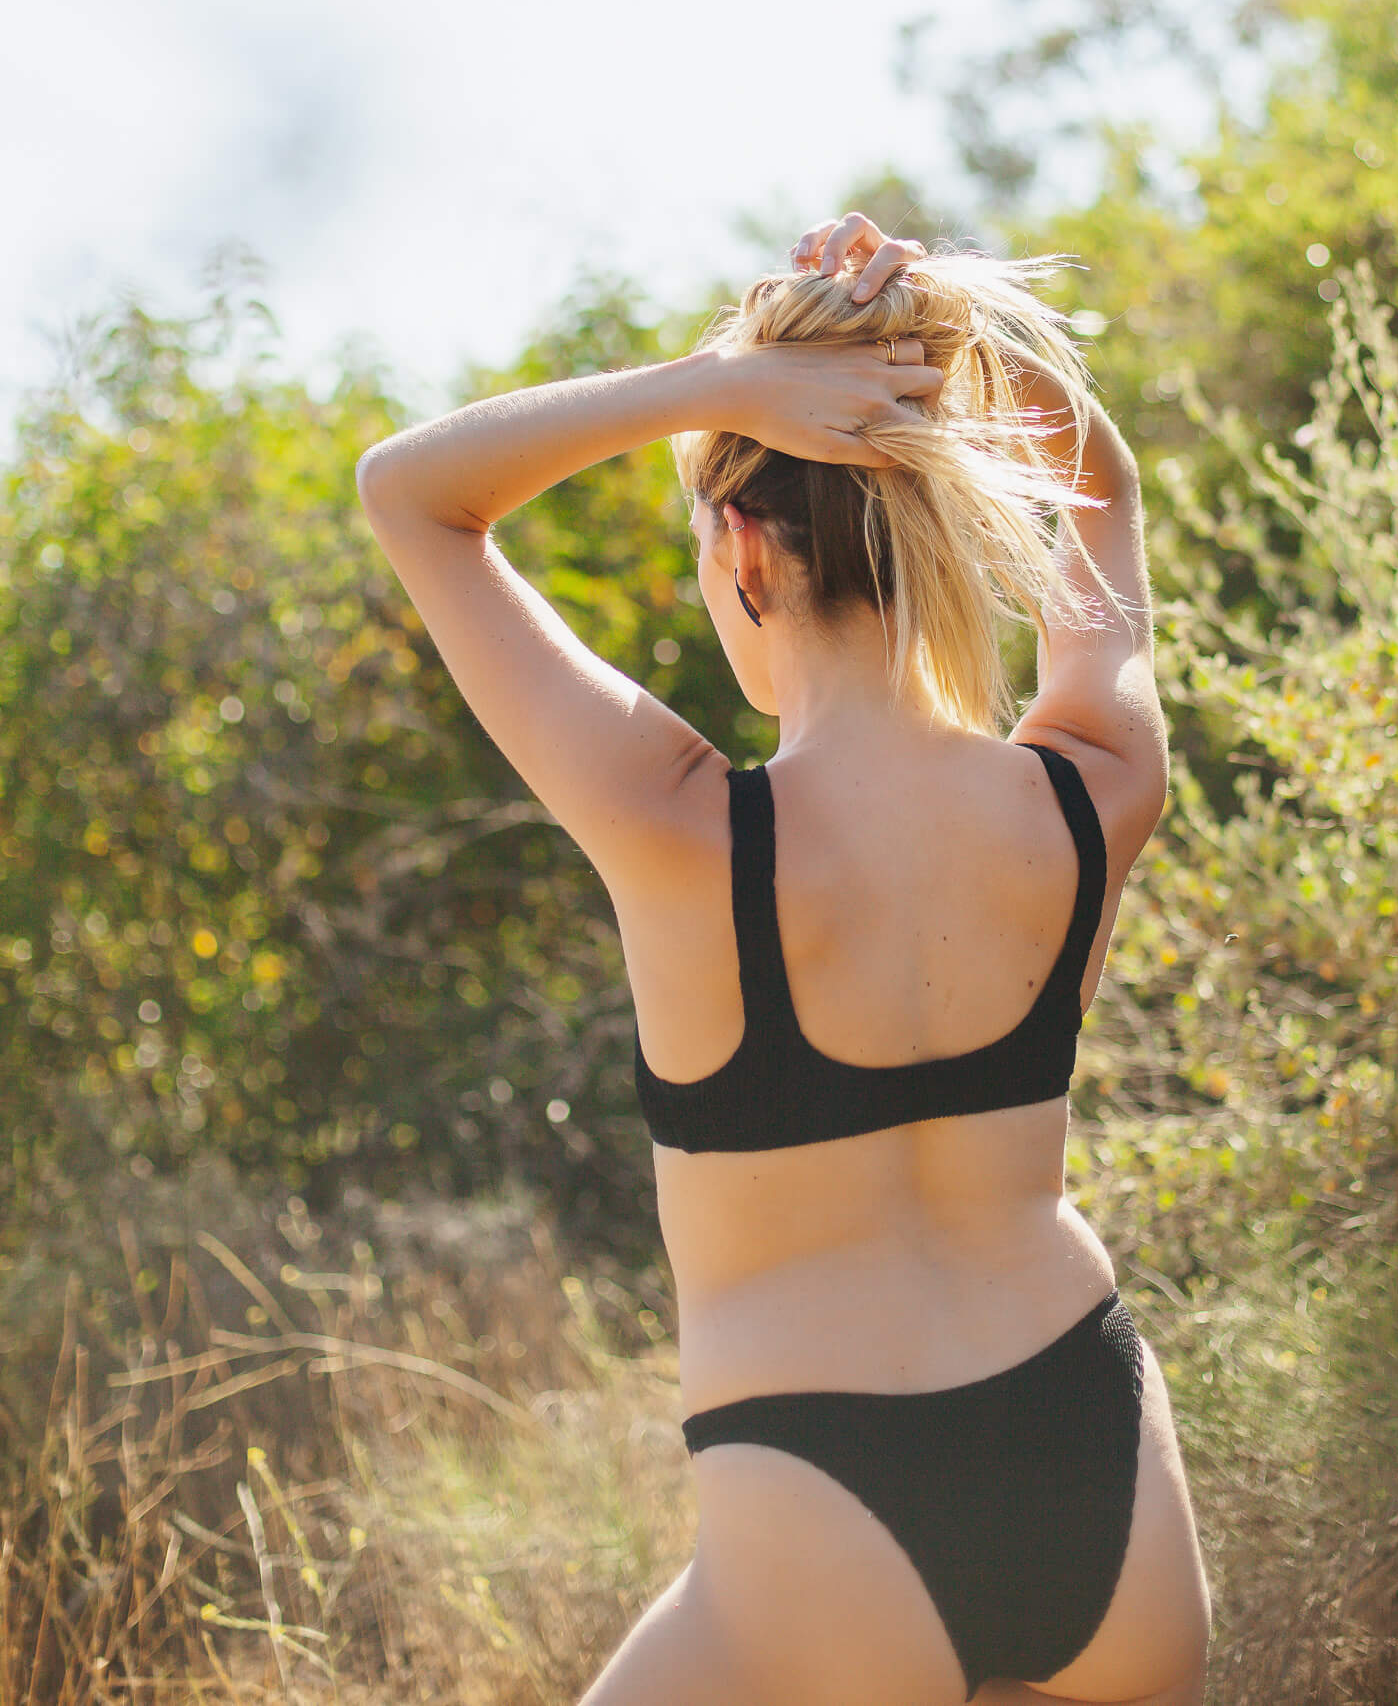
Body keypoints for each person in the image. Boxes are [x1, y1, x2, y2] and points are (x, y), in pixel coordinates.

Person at [356, 211, 1211, 1706]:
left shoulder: (686, 830)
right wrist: (935, 336)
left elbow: (413, 493)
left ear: (742, 552)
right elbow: (1104, 490)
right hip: (1102, 1457)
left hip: (832, 1494)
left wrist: (721, 383)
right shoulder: (1090, 789)